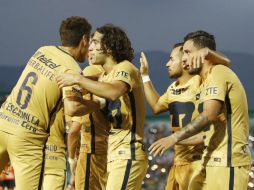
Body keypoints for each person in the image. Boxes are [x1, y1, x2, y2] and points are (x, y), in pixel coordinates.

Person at [149, 30, 251, 190]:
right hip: (212, 161)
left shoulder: (218, 73)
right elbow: (209, 132)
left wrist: (174, 138)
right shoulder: (206, 80)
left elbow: (208, 115)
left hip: (229, 161)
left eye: (188, 52)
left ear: (202, 53)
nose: (184, 58)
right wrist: (175, 141)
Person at [0, 16, 91, 190]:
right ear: (84, 40)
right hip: (27, 136)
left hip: (4, 120)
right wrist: (99, 103)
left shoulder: (42, 50)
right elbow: (72, 108)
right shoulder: (71, 68)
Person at [56, 24, 148, 190]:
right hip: (113, 152)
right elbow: (73, 108)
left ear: (110, 47)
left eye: (95, 42)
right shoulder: (104, 76)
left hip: (128, 150)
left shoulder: (125, 67)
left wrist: (78, 80)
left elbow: (114, 92)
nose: (89, 47)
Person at [140, 43, 230, 190]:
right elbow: (156, 107)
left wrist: (207, 53)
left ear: (184, 61)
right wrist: (145, 76)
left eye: (171, 59)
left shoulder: (201, 81)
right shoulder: (172, 88)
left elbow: (224, 64)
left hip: (198, 162)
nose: (167, 63)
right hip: (179, 162)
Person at [67, 65, 110, 190]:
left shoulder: (89, 72)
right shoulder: (112, 76)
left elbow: (73, 131)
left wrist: (71, 159)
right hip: (108, 150)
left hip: (90, 149)